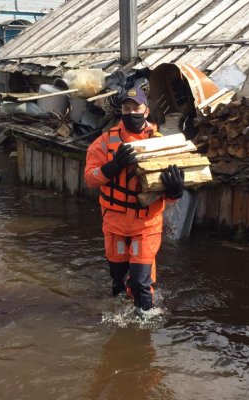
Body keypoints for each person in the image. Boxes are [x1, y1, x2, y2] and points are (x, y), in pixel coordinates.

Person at [84, 87, 185, 313]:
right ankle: (120, 326)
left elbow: (167, 197)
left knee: (140, 284)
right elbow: (90, 179)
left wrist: (176, 191)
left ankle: (144, 328)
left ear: (146, 111)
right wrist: (113, 165)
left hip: (145, 225)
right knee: (118, 283)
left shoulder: (162, 145)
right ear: (121, 111)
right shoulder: (103, 143)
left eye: (136, 108)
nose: (131, 113)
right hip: (115, 224)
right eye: (126, 108)